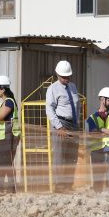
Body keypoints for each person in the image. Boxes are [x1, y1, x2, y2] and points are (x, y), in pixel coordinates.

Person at [45, 60, 80, 192]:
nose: (66, 79)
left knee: (72, 156)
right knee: (59, 156)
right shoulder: (52, 89)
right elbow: (49, 109)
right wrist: (59, 127)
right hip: (61, 123)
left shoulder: (73, 87)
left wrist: (77, 123)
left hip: (73, 125)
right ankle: (59, 186)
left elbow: (76, 106)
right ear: (58, 75)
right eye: (64, 77)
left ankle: (68, 185)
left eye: (68, 76)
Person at [86, 87, 109, 192]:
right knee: (98, 182)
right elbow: (94, 134)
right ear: (102, 99)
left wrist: (101, 130)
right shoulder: (92, 118)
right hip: (97, 152)